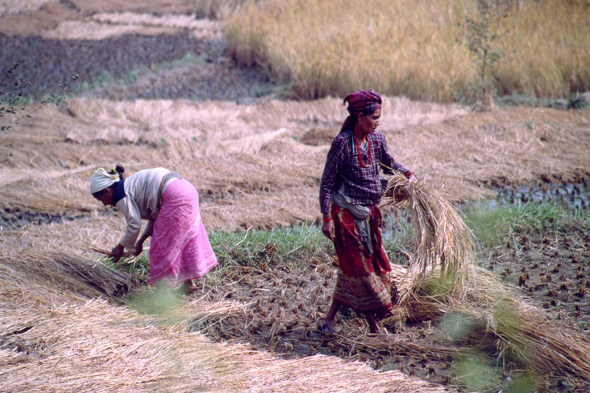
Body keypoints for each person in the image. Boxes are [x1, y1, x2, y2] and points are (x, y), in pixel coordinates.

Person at [319, 90, 416, 334]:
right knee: (362, 270)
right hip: (346, 217)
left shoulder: (377, 141)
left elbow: (388, 163)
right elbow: (327, 183)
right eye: (373, 117)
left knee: (359, 267)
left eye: (378, 117)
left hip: (369, 216)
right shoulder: (342, 144)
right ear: (359, 117)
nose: (377, 122)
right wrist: (327, 218)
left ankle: (330, 317)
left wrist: (407, 174)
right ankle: (373, 324)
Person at [90, 165, 218, 293]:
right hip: (187, 189)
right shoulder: (130, 186)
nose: (105, 204)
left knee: (161, 247)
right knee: (183, 240)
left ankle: (162, 293)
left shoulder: (120, 195)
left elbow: (134, 224)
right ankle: (188, 284)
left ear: (107, 191)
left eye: (102, 200)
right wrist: (140, 242)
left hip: (174, 196)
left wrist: (121, 247)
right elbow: (156, 218)